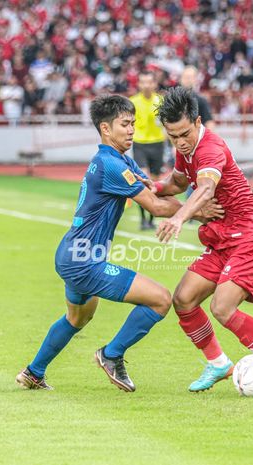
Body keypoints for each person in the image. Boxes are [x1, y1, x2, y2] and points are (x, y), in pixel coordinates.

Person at [15, 95, 219, 392]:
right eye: (125, 124)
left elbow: (154, 191)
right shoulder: (111, 164)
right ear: (105, 129)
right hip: (84, 260)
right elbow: (156, 206)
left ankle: (33, 372)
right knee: (161, 299)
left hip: (73, 254)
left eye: (133, 123)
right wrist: (200, 212)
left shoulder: (118, 160)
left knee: (77, 317)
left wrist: (187, 186)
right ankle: (111, 355)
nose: (131, 130)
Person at [149, 87, 253, 394]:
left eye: (184, 134)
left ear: (198, 120)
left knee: (222, 307)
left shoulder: (210, 148)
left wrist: (179, 217)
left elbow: (204, 188)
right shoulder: (185, 149)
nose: (180, 142)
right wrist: (151, 187)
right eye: (172, 136)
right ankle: (217, 363)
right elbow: (178, 181)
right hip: (220, 239)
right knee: (184, 300)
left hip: (249, 237)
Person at [130, 70, 166, 230]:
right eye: (143, 82)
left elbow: (167, 123)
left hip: (157, 144)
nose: (146, 85)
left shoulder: (161, 101)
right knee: (144, 180)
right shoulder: (133, 102)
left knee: (155, 182)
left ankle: (151, 218)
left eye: (149, 82)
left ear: (154, 84)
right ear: (139, 84)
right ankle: (143, 219)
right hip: (140, 144)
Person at [179, 65, 216, 130]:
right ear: (180, 79)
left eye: (190, 77)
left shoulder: (201, 100)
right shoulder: (173, 99)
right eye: (185, 77)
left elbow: (209, 123)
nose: (187, 80)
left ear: (195, 79)